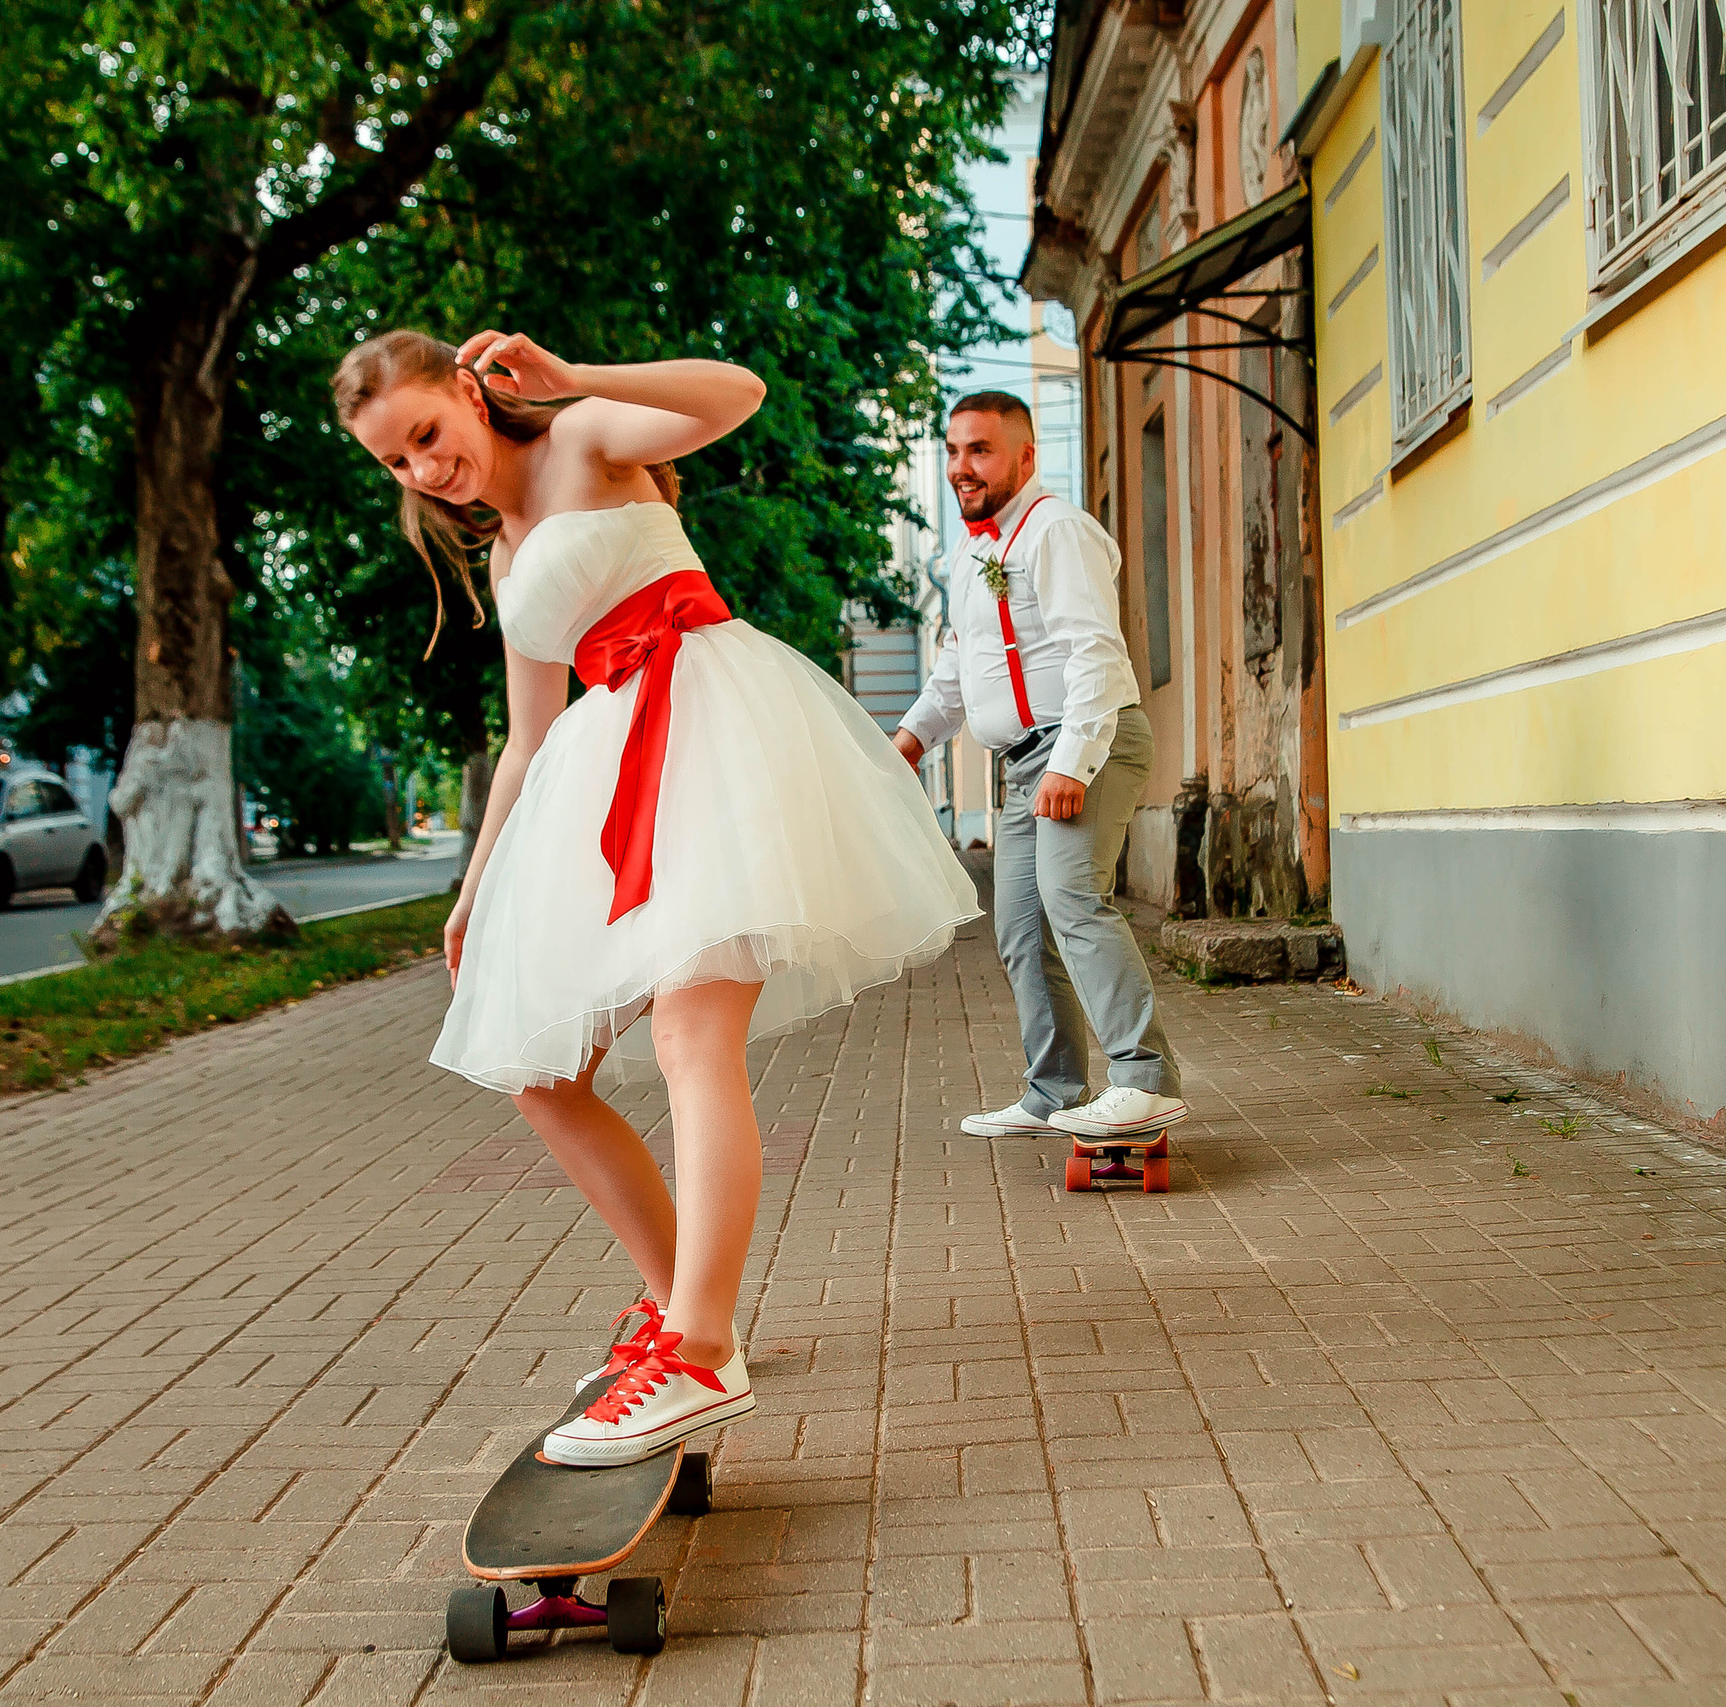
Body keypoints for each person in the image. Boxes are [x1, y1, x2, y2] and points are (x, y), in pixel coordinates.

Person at [336, 329, 978, 1468]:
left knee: (690, 1034)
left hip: (711, 739)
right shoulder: (501, 553)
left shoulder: (587, 437)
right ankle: (678, 1307)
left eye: (426, 435)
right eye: (394, 463)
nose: (423, 471)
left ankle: (699, 1347)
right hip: (604, 771)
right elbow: (529, 741)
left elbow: (740, 386)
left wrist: (576, 377)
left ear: (470, 395)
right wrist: (475, 887)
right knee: (541, 1075)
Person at [894, 392, 1185, 1141]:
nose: (962, 466)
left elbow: (1096, 652)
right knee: (1022, 926)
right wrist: (911, 741)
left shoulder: (1055, 531)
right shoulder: (972, 554)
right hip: (1026, 765)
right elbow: (958, 671)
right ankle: (1054, 1091)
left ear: (1025, 457)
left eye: (981, 449)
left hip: (1089, 743)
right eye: (954, 450)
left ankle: (1144, 1078)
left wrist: (1073, 764)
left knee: (1074, 899)